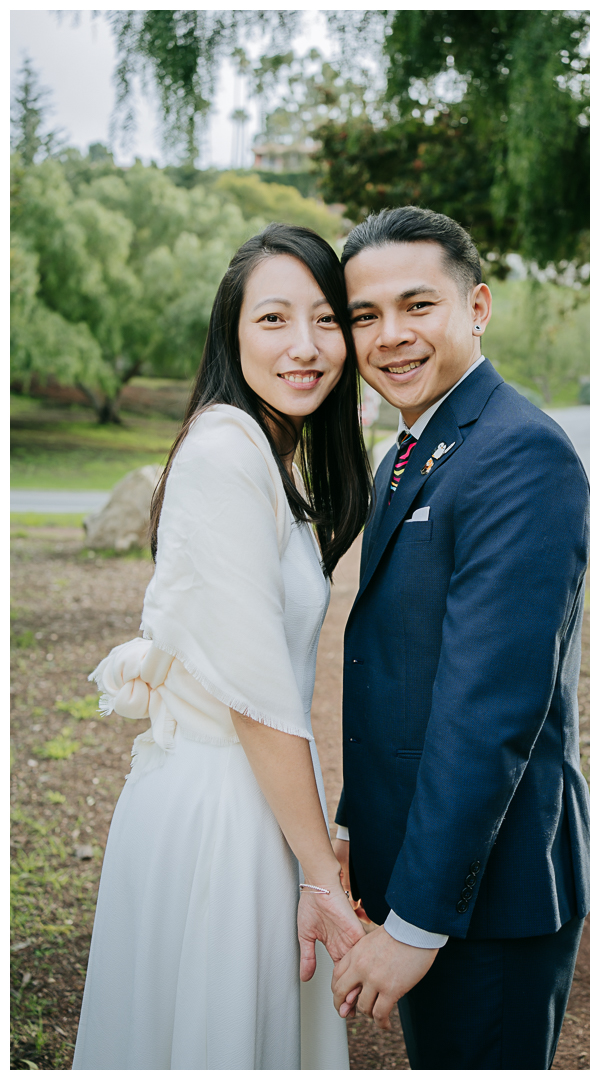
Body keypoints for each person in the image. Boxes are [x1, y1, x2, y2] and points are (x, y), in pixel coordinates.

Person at [72, 223, 373, 1070]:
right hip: (224, 809)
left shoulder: (269, 453)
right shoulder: (222, 455)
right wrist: (320, 872)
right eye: (273, 320)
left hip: (264, 796)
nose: (306, 347)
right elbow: (254, 692)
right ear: (231, 332)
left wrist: (316, 843)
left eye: (325, 320)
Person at [330, 207, 590, 1069]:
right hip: (420, 861)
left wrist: (415, 925)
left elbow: (489, 712)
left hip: (489, 896)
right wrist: (353, 826)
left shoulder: (521, 455)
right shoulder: (410, 449)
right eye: (365, 316)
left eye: (418, 306)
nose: (390, 337)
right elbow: (398, 670)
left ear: (476, 306)